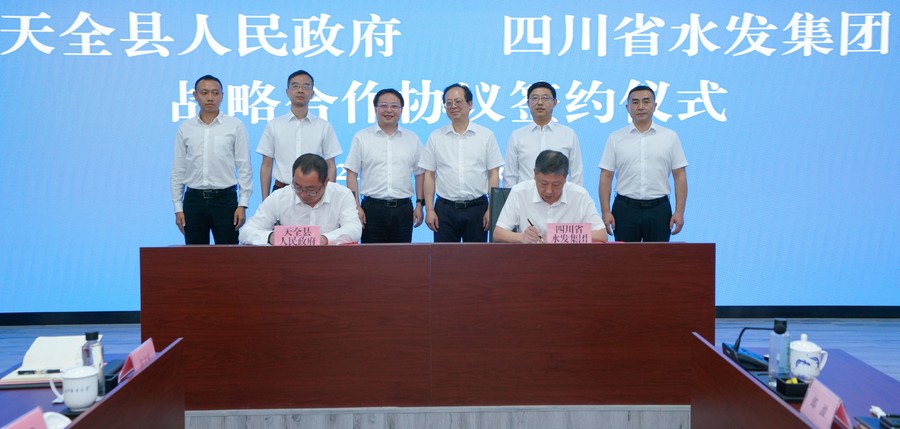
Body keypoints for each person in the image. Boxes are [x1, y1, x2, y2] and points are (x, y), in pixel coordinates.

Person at [598, 84, 688, 242]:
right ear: (627, 108)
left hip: (659, 209)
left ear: (655, 106)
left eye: (646, 102)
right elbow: (606, 176)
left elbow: (679, 175)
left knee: (657, 257)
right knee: (624, 257)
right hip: (625, 209)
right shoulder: (615, 138)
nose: (640, 107)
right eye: (635, 102)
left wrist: (679, 212)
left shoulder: (670, 137)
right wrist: (606, 211)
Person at [170, 74, 252, 245]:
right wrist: (178, 207)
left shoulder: (235, 125)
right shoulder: (185, 128)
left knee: (229, 254)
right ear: (195, 95)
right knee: (195, 256)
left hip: (225, 200)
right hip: (194, 201)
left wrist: (242, 204)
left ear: (222, 96)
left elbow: (244, 166)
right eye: (204, 93)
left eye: (215, 93)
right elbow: (179, 169)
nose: (210, 98)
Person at [419, 83, 503, 242]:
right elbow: (429, 175)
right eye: (448, 103)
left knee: (476, 256)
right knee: (444, 256)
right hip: (445, 209)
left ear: (470, 104)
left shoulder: (486, 135)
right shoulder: (436, 137)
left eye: (458, 101)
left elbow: (493, 173)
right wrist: (429, 209)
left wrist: (491, 209)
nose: (453, 106)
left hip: (477, 208)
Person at [344, 88, 425, 243]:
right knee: (372, 256)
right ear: (375, 109)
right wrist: (356, 207)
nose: (389, 110)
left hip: (403, 209)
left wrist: (420, 204)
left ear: (401, 110)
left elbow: (420, 174)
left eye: (394, 106)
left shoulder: (412, 139)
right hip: (372, 209)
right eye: (384, 105)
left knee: (402, 255)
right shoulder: (362, 137)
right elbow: (351, 173)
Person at [239, 154, 362, 245]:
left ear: (326, 182)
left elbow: (354, 229)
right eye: (298, 187)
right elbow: (246, 231)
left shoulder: (342, 195)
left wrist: (324, 239)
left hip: (330, 260)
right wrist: (270, 237)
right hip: (287, 262)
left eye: (311, 190)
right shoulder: (279, 197)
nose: (303, 194)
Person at [257, 70, 342, 200]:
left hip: (314, 192)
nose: (300, 90)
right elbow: (266, 165)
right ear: (287, 92)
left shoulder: (324, 126)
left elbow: (330, 165)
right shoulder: (274, 125)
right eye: (295, 86)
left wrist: (328, 197)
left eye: (306, 86)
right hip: (281, 191)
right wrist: (265, 200)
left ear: (312, 93)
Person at [494, 150, 607, 243]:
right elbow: (498, 233)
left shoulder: (580, 196)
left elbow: (602, 235)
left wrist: (559, 236)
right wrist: (522, 237)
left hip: (569, 259)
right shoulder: (519, 192)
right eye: (543, 184)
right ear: (534, 174)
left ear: (565, 177)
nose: (549, 191)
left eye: (556, 185)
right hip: (530, 258)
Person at [504, 81, 583, 187]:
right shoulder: (517, 136)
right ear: (528, 103)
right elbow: (510, 175)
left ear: (555, 102)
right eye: (535, 98)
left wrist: (575, 195)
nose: (540, 102)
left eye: (545, 98)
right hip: (525, 196)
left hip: (560, 196)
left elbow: (576, 174)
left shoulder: (568, 134)